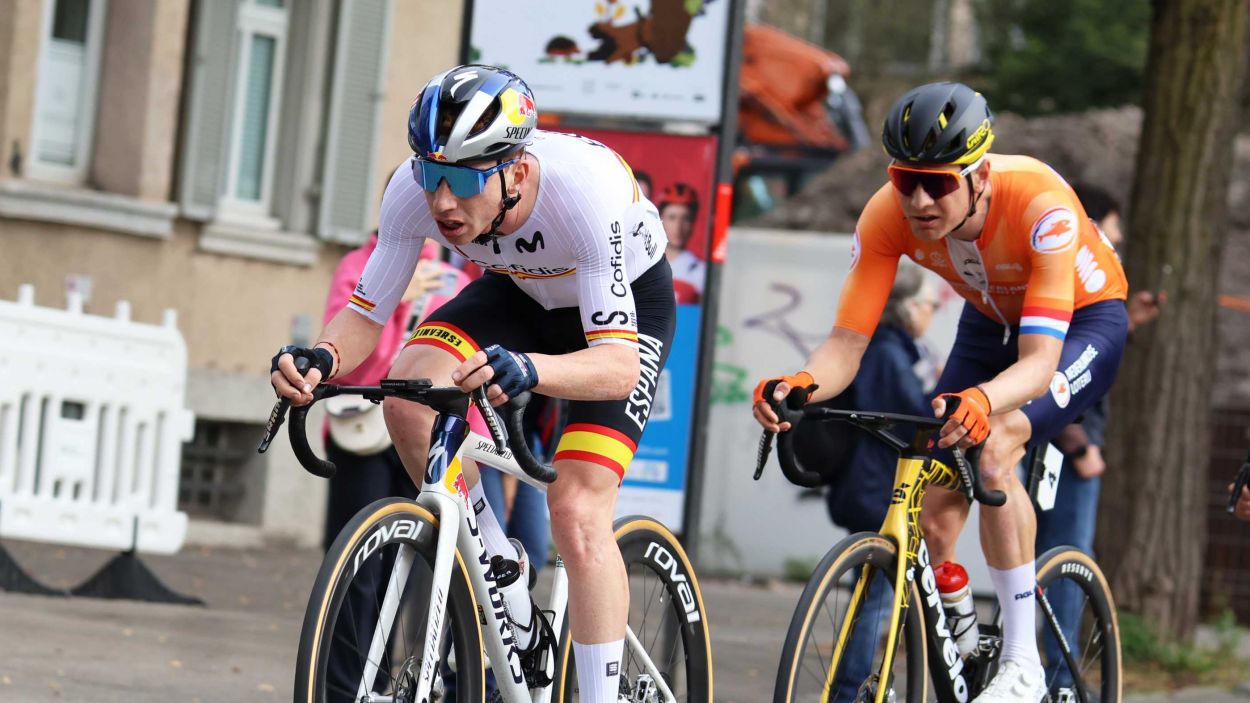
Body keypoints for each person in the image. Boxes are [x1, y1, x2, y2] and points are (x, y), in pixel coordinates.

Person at [271, 64, 673, 703]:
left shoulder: (588, 193)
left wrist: (535, 369)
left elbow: (618, 367)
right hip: (515, 295)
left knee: (575, 509)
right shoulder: (412, 192)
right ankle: (499, 570)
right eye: (432, 175)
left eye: (461, 178)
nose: (442, 201)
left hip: (620, 317)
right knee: (408, 393)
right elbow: (366, 314)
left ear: (515, 172)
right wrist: (321, 357)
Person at [752, 81, 1130, 702]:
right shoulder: (885, 215)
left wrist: (985, 403)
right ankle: (959, 642)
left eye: (940, 183)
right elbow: (847, 344)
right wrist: (798, 384)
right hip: (990, 319)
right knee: (930, 508)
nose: (920, 201)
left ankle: (1021, 661)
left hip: (1083, 322)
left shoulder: (1040, 202)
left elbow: (1038, 364)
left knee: (996, 441)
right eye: (906, 181)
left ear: (980, 176)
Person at [795, 264, 940, 703]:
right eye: (930, 306)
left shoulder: (883, 350)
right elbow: (910, 422)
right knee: (877, 598)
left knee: (872, 593)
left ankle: (852, 686)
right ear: (910, 308)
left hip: (865, 486)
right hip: (878, 491)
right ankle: (848, 691)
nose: (932, 314)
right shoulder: (889, 355)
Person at [658, 182, 705, 303]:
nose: (678, 227)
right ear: (660, 220)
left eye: (686, 219)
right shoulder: (644, 263)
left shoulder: (700, 271)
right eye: (672, 218)